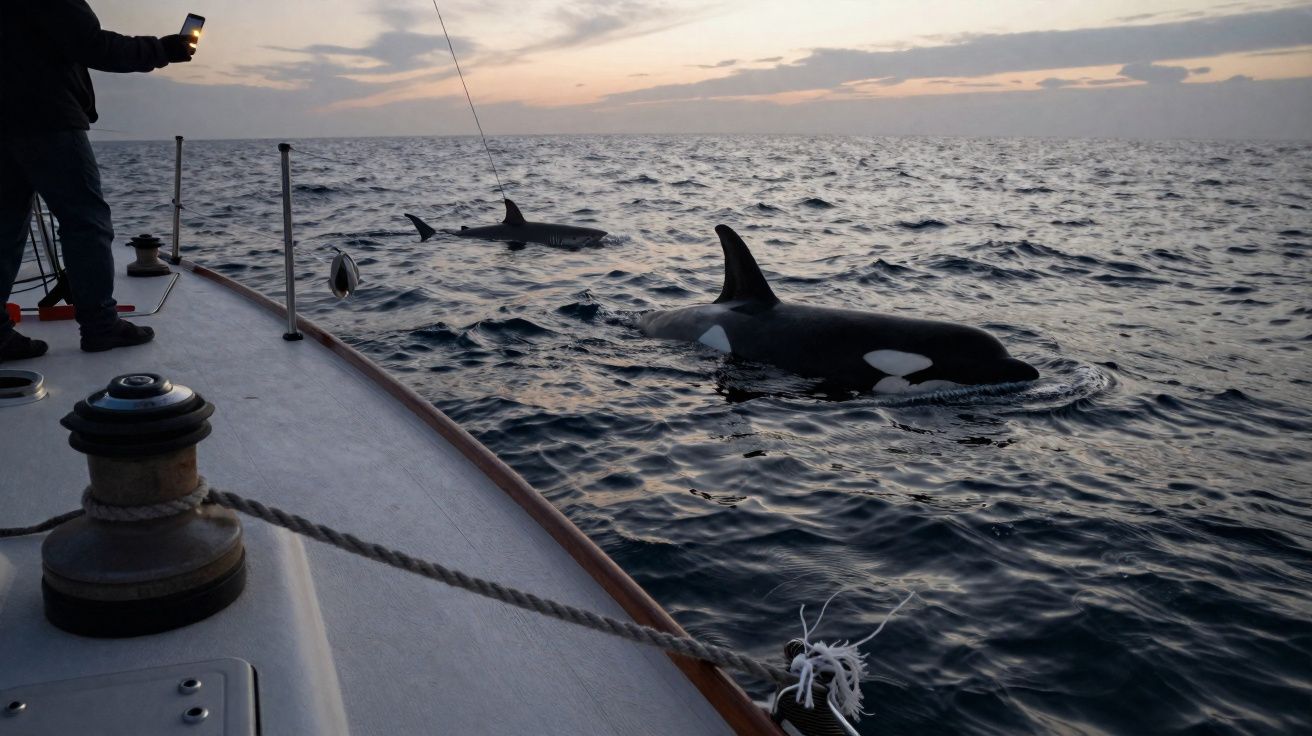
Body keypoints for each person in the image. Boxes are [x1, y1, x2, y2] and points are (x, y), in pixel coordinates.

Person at [0, 1, 197, 362]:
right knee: (85, 223)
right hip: (47, 115)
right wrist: (164, 49)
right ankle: (100, 325)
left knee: (6, 226)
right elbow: (91, 44)